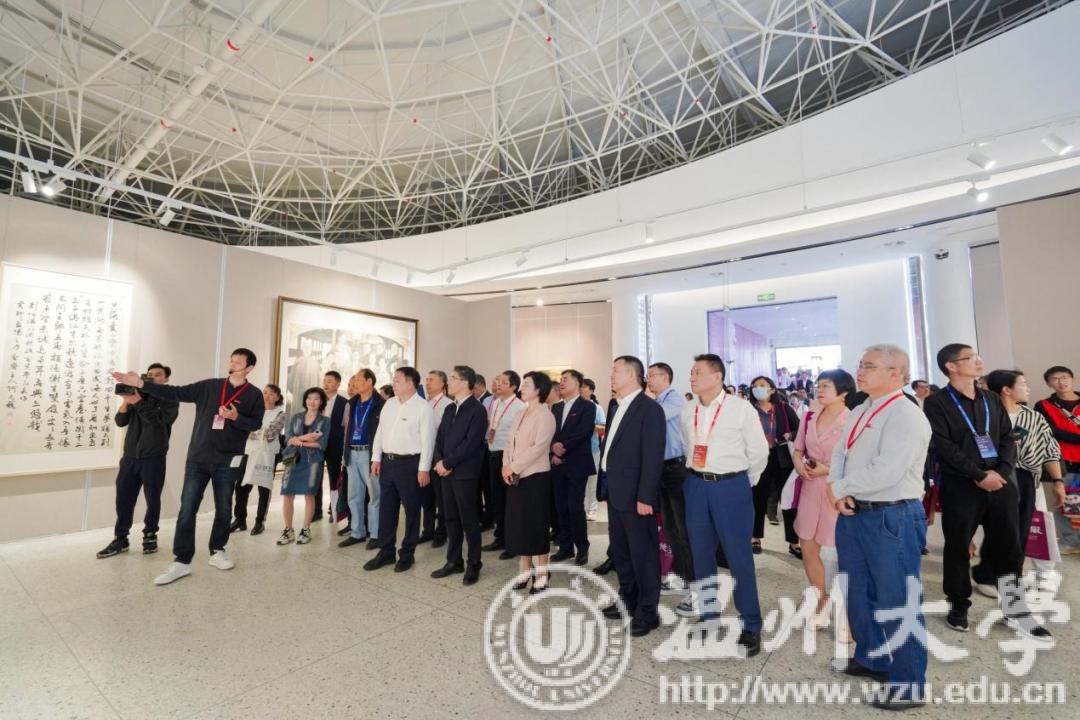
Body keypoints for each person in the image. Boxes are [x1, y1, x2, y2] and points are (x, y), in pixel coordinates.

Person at [828, 344, 931, 710]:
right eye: (861, 365)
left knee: (896, 599)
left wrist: (840, 488)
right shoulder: (862, 408)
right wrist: (838, 489)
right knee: (857, 590)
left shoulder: (906, 414)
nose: (860, 371)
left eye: (869, 366)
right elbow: (841, 453)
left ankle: (909, 684)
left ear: (895, 373)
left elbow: (888, 470)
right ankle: (872, 657)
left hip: (892, 517)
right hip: (855, 512)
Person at [924, 344, 1050, 639]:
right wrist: (979, 475)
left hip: (1000, 484)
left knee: (1010, 548)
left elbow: (1007, 438)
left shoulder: (991, 398)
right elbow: (943, 446)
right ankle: (958, 606)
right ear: (951, 366)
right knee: (958, 548)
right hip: (961, 485)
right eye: (970, 358)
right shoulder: (936, 402)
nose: (978, 361)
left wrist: (1001, 473)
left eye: (978, 356)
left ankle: (1015, 609)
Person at [112, 349, 264, 585]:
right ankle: (182, 561)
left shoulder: (254, 395)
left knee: (224, 508)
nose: (233, 364)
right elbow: (175, 392)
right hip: (198, 459)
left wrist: (236, 418)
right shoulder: (209, 386)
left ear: (250, 368)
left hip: (228, 460)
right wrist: (140, 384)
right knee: (187, 509)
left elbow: (256, 423)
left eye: (238, 362)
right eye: (231, 360)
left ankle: (217, 550)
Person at [679, 354, 768, 656]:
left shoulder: (740, 408)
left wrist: (741, 482)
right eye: (691, 372)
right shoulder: (689, 408)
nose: (692, 377)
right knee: (701, 554)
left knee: (738, 557)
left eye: (698, 372)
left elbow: (759, 452)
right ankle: (709, 616)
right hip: (695, 485)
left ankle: (751, 624)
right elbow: (687, 445)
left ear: (717, 376)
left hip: (731, 487)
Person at [975, 370, 1064, 594]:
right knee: (998, 529)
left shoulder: (1034, 418)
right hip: (996, 479)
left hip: (1028, 480)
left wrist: (1058, 481)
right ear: (1006, 389)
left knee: (1031, 527)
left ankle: (1035, 573)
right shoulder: (985, 417)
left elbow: (1050, 451)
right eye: (1022, 384)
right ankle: (989, 576)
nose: (1027, 388)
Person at [598, 356, 666, 637]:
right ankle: (628, 599)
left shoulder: (649, 409)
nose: (611, 375)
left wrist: (646, 497)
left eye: (616, 370)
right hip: (616, 492)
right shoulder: (616, 406)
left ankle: (648, 612)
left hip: (637, 496)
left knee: (643, 555)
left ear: (631, 375)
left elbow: (653, 457)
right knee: (622, 553)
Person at [97, 363, 179, 558]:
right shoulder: (138, 394)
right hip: (130, 458)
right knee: (123, 500)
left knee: (153, 499)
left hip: (153, 458)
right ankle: (120, 538)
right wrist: (127, 400)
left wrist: (138, 401)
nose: (153, 377)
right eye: (149, 374)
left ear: (166, 379)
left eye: (158, 375)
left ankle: (150, 535)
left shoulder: (170, 398)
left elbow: (158, 423)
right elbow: (120, 421)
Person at [791, 369, 853, 625]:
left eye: (826, 385)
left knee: (841, 552)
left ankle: (847, 610)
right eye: (819, 385)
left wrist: (826, 469)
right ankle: (822, 601)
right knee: (808, 546)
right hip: (809, 488)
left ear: (843, 392)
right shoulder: (809, 417)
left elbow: (858, 461)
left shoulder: (852, 420)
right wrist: (799, 464)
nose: (820, 390)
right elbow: (798, 449)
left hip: (837, 491)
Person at [364, 367, 435, 573]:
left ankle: (407, 554)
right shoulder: (390, 404)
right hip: (388, 463)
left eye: (397, 380)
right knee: (387, 508)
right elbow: (380, 433)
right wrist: (376, 458)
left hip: (410, 465)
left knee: (412, 510)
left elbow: (428, 441)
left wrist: (424, 469)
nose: (393, 383)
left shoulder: (423, 408)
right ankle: (386, 551)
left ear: (410, 384)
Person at [430, 366, 489, 584]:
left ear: (465, 383)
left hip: (464, 473)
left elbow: (471, 443)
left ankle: (474, 563)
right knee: (450, 518)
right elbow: (439, 439)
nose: (449, 382)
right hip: (446, 472)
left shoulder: (477, 410)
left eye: (453, 378)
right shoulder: (449, 408)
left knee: (469, 520)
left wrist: (448, 463)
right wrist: (439, 461)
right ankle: (454, 561)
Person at [646, 362, 694, 616]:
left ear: (665, 377)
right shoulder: (657, 401)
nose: (648, 380)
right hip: (662, 470)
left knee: (682, 528)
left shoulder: (674, 399)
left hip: (676, 469)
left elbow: (654, 418)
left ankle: (695, 583)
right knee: (670, 527)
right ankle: (681, 575)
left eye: (651, 375)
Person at [503, 371, 557, 593]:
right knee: (520, 525)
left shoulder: (546, 416)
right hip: (515, 477)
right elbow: (509, 442)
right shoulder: (520, 413)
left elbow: (538, 448)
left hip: (535, 478)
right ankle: (525, 570)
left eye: (526, 384)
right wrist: (506, 466)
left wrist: (513, 467)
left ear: (538, 390)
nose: (522, 388)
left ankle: (543, 574)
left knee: (536, 526)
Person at [749, 376, 801, 557]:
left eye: (762, 385)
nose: (758, 388)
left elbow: (799, 429)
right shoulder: (749, 410)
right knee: (757, 499)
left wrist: (790, 435)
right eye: (755, 386)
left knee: (787, 500)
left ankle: (793, 541)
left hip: (781, 458)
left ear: (772, 390)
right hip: (758, 458)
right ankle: (755, 537)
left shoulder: (783, 408)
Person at [550, 369, 597, 565]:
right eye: (560, 379)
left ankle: (582, 548)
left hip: (577, 463)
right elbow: (551, 432)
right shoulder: (556, 407)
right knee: (560, 507)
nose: (561, 382)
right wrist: (553, 447)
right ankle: (566, 547)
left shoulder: (588, 406)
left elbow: (583, 433)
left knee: (575, 507)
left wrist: (562, 448)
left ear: (578, 383)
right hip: (556, 464)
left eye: (566, 379)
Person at [1035, 366, 1080, 554]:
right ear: (1049, 383)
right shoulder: (1043, 405)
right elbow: (1050, 431)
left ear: (1072, 379)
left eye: (1065, 377)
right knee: (1065, 503)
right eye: (1055, 379)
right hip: (1063, 463)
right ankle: (1071, 542)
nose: (1061, 382)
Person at [231, 383, 286, 536]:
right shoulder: (253, 411)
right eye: (265, 392)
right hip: (249, 452)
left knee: (264, 488)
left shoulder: (281, 414)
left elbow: (270, 435)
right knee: (241, 486)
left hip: (267, 454)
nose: (267, 396)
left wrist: (250, 430)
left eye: (271, 394)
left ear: (277, 398)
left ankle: (259, 522)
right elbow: (239, 428)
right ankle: (240, 520)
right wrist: (252, 430)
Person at [277, 388, 330, 546]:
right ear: (305, 400)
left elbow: (321, 444)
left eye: (316, 398)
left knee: (309, 494)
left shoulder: (325, 421)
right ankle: (288, 530)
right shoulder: (296, 417)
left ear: (321, 402)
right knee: (287, 494)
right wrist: (305, 438)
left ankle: (306, 529)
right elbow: (288, 439)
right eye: (309, 398)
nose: (312, 401)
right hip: (292, 459)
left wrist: (298, 441)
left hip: (313, 461)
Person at [339, 369, 384, 549]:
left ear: (369, 381)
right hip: (352, 452)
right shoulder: (353, 403)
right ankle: (357, 532)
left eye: (358, 379)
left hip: (369, 454)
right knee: (354, 496)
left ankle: (376, 534)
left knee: (374, 496)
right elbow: (348, 431)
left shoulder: (381, 404)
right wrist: (345, 454)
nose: (354, 383)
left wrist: (377, 457)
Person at [481, 371, 525, 558]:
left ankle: (512, 543)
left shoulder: (519, 407)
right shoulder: (496, 403)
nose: (498, 384)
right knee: (497, 500)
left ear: (513, 387)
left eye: (503, 382)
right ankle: (500, 538)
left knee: (510, 502)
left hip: (509, 458)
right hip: (493, 454)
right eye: (498, 381)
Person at [420, 370, 451, 547]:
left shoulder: (448, 405)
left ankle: (442, 532)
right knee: (426, 497)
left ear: (442, 384)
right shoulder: (424, 404)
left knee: (441, 498)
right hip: (424, 456)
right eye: (426, 380)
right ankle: (428, 530)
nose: (428, 383)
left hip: (438, 457)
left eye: (431, 380)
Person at [313, 371, 347, 525]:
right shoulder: (317, 400)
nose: (326, 384)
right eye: (324, 381)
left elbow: (345, 427)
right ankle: (316, 511)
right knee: (316, 478)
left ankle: (334, 510)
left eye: (330, 381)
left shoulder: (344, 403)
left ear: (338, 384)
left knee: (334, 478)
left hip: (334, 446)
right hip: (317, 445)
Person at [581, 378, 606, 521]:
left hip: (593, 450)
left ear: (591, 390)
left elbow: (603, 427)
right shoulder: (576, 407)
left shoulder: (597, 408)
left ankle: (592, 510)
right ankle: (581, 509)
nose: (581, 389)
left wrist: (589, 426)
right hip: (577, 452)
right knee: (580, 482)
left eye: (584, 387)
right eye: (580, 386)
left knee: (592, 482)